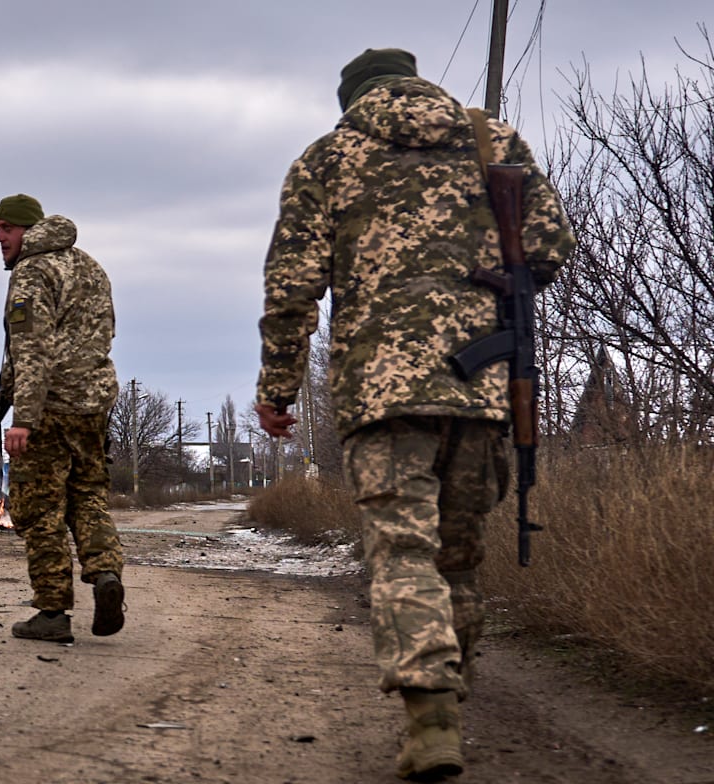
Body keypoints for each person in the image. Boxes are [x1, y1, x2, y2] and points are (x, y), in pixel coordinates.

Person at [255, 49, 574, 780]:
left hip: (382, 395)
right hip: (483, 389)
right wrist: (484, 278)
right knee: (458, 559)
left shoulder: (327, 157)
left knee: (403, 552)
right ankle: (452, 700)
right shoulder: (492, 141)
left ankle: (431, 718)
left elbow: (291, 289)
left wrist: (277, 389)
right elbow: (551, 248)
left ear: (351, 100)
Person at [0, 193, 125, 643]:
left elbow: (31, 350)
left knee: (39, 510)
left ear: (29, 229)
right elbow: (104, 334)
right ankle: (105, 573)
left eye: (7, 228)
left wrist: (23, 418)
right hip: (93, 406)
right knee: (87, 496)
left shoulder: (33, 271)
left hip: (48, 409)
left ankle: (52, 613)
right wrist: (3, 394)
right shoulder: (89, 267)